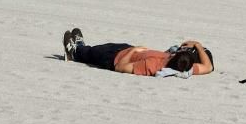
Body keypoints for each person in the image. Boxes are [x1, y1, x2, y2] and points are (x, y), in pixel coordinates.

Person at [61, 28, 213, 76]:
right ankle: (80, 47)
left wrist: (132, 51)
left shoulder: (153, 65)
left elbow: (120, 67)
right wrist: (198, 45)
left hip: (114, 57)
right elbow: (208, 67)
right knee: (94, 50)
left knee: (92, 54)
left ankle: (74, 52)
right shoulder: (184, 65)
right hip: (127, 49)